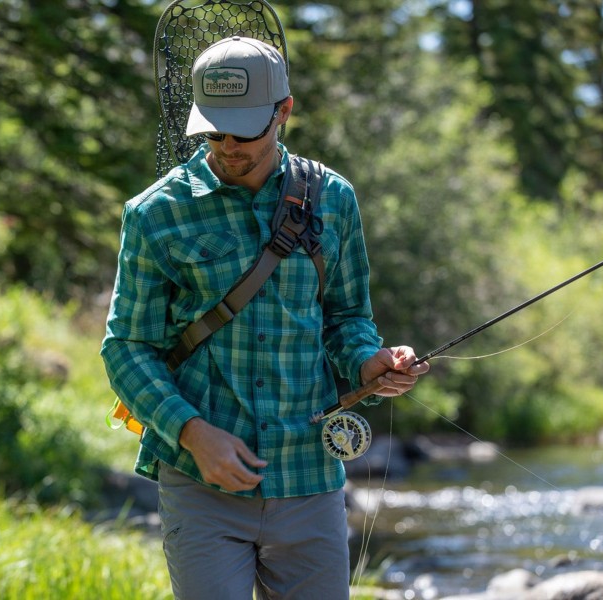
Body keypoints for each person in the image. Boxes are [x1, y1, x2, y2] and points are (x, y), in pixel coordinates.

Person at [100, 36, 429, 600]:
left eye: (245, 131)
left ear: (284, 111)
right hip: (199, 483)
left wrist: (368, 362)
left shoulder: (334, 200)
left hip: (310, 479)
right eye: (213, 130)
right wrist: (193, 433)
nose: (227, 146)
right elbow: (126, 347)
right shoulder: (155, 214)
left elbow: (347, 318)